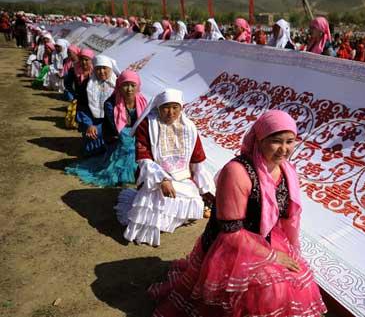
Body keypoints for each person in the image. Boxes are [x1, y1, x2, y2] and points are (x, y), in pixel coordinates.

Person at [147, 110, 327, 316]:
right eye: (276, 141)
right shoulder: (236, 172)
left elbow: (288, 217)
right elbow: (231, 231)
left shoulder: (287, 170)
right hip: (230, 244)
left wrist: (291, 250)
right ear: (259, 139)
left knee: (298, 275)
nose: (283, 149)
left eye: (290, 142)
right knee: (271, 288)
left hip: (266, 237)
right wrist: (271, 256)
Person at [115, 89, 216, 247]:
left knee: (192, 197)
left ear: (181, 108)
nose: (171, 112)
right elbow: (144, 158)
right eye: (166, 108)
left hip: (182, 175)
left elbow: (197, 158)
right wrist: (162, 179)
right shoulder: (147, 125)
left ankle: (172, 219)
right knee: (154, 201)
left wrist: (205, 187)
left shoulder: (188, 127)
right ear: (158, 108)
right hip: (154, 176)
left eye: (175, 107)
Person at [65, 70, 147, 187]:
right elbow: (115, 126)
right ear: (119, 85)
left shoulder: (142, 101)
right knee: (128, 146)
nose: (129, 89)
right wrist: (132, 137)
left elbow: (144, 122)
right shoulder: (111, 103)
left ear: (137, 86)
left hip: (135, 133)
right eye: (125, 85)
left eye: (132, 85)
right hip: (117, 136)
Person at [75, 54, 120, 157]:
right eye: (98, 69)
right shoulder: (87, 84)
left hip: (113, 122)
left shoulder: (118, 84)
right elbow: (82, 107)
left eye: (104, 68)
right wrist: (89, 124)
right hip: (93, 121)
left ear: (110, 68)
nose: (101, 72)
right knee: (92, 135)